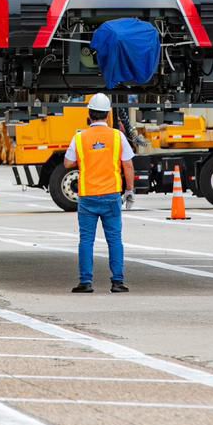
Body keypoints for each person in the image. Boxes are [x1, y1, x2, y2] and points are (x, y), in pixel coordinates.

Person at [64, 94, 134, 294]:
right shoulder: (117, 136)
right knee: (114, 239)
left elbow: (67, 163)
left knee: (86, 240)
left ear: (89, 114)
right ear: (108, 114)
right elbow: (127, 164)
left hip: (88, 196)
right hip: (111, 195)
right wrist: (129, 190)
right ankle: (117, 282)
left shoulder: (79, 137)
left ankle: (86, 282)